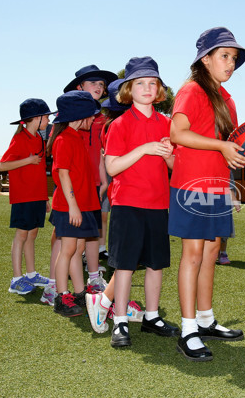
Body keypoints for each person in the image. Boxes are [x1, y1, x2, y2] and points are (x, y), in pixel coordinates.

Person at [169, 27, 245, 362]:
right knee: (193, 254)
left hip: (217, 186)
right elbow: (178, 133)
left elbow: (230, 145)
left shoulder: (227, 98)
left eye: (233, 58)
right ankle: (188, 330)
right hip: (191, 185)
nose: (230, 64)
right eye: (224, 56)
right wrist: (220, 144)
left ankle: (205, 319)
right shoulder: (191, 90)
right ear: (205, 58)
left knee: (213, 249)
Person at [105, 56, 177, 348]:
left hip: (159, 203)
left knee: (155, 264)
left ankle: (151, 316)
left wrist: (167, 154)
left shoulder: (168, 123)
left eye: (152, 83)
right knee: (124, 266)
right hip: (127, 204)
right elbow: (112, 167)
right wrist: (145, 148)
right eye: (140, 83)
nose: (147, 88)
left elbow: (174, 165)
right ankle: (120, 321)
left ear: (159, 89)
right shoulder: (119, 124)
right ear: (128, 90)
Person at [85, 78, 144, 334]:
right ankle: (106, 300)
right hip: (127, 198)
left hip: (137, 197)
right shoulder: (117, 126)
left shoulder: (118, 124)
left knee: (131, 257)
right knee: (127, 258)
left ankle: (114, 300)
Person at [47, 91, 102, 317]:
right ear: (80, 116)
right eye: (91, 115)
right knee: (68, 250)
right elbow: (63, 174)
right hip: (70, 206)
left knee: (78, 248)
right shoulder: (64, 139)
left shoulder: (75, 137)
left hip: (83, 204)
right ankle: (62, 296)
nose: (93, 119)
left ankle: (79, 293)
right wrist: (73, 206)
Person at [65, 64, 117, 290]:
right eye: (92, 82)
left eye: (101, 84)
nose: (99, 86)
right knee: (64, 238)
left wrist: (104, 180)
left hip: (94, 186)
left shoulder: (100, 119)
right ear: (79, 87)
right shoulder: (70, 116)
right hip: (73, 186)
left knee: (93, 234)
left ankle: (94, 277)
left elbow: (99, 152)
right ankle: (53, 283)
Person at [0, 99, 55, 294]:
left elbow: (39, 172)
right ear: (35, 119)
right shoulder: (20, 139)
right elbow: (2, 165)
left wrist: (44, 198)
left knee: (32, 235)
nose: (48, 120)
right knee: (21, 235)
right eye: (46, 116)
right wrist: (28, 160)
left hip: (37, 197)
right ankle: (16, 279)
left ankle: (31, 275)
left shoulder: (39, 139)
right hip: (23, 197)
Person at [216, 172, 241, 265]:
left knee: (223, 232)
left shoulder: (227, 170)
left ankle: (223, 253)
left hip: (223, 204)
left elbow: (230, 187)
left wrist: (235, 202)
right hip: (208, 202)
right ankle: (213, 253)